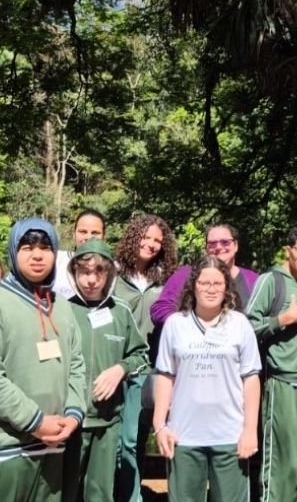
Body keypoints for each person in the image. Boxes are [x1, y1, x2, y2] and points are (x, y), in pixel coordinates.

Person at [0, 218, 87, 502]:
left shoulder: (62, 307)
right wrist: (35, 421)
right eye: (27, 248)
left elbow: (77, 365)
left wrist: (73, 415)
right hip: (1, 451)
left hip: (53, 447)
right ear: (13, 252)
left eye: (45, 247)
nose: (37, 255)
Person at [153, 256, 262, 502]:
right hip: (183, 437)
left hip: (230, 437)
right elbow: (165, 377)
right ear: (193, 286)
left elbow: (251, 379)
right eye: (204, 283)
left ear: (227, 287)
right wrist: (160, 425)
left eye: (217, 283)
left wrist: (250, 430)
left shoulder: (240, 324)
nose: (211, 289)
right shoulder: (175, 324)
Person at [245, 221, 297, 502]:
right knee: (282, 466)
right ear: (288, 250)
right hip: (283, 383)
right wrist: (283, 319)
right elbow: (246, 329)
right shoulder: (271, 281)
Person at [62, 238, 148, 502]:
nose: (91, 280)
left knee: (100, 494)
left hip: (107, 423)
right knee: (64, 491)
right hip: (68, 423)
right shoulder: (62, 310)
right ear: (74, 273)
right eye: (84, 272)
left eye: (99, 272)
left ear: (109, 273)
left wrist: (120, 369)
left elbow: (141, 356)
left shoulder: (120, 312)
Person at [113, 213, 178, 502]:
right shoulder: (113, 274)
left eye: (157, 241)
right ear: (133, 237)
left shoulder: (165, 279)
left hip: (146, 368)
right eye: (146, 237)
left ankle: (131, 496)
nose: (151, 244)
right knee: (111, 441)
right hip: (112, 366)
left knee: (132, 439)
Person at [150, 223, 260, 326]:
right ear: (206, 248)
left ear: (236, 246)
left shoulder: (254, 280)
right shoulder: (186, 274)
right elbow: (160, 309)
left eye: (225, 242)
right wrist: (188, 327)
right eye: (212, 243)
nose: (218, 247)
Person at [53, 209, 108, 301]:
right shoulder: (56, 260)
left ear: (104, 236)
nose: (88, 237)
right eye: (83, 232)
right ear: (74, 234)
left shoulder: (111, 269)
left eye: (95, 233)